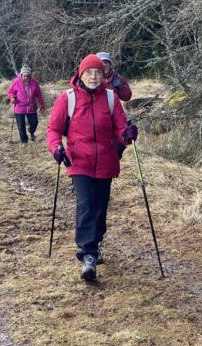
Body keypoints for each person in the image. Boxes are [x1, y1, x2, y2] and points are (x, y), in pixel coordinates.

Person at [46, 54, 138, 282]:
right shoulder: (67, 98)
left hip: (106, 161)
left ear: (103, 75)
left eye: (98, 72)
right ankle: (88, 254)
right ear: (81, 74)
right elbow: (53, 129)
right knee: (85, 204)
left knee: (100, 207)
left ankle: (96, 242)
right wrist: (56, 148)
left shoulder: (110, 98)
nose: (94, 76)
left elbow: (120, 129)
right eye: (89, 72)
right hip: (79, 161)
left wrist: (127, 135)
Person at [7, 64, 44, 145]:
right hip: (19, 107)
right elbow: (10, 92)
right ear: (21, 75)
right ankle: (24, 141)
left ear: (30, 75)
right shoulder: (16, 81)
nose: (26, 78)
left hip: (31, 107)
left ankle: (31, 131)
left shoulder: (34, 82)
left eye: (28, 76)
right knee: (21, 126)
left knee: (34, 123)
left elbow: (39, 94)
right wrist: (12, 98)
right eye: (24, 76)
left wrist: (41, 104)